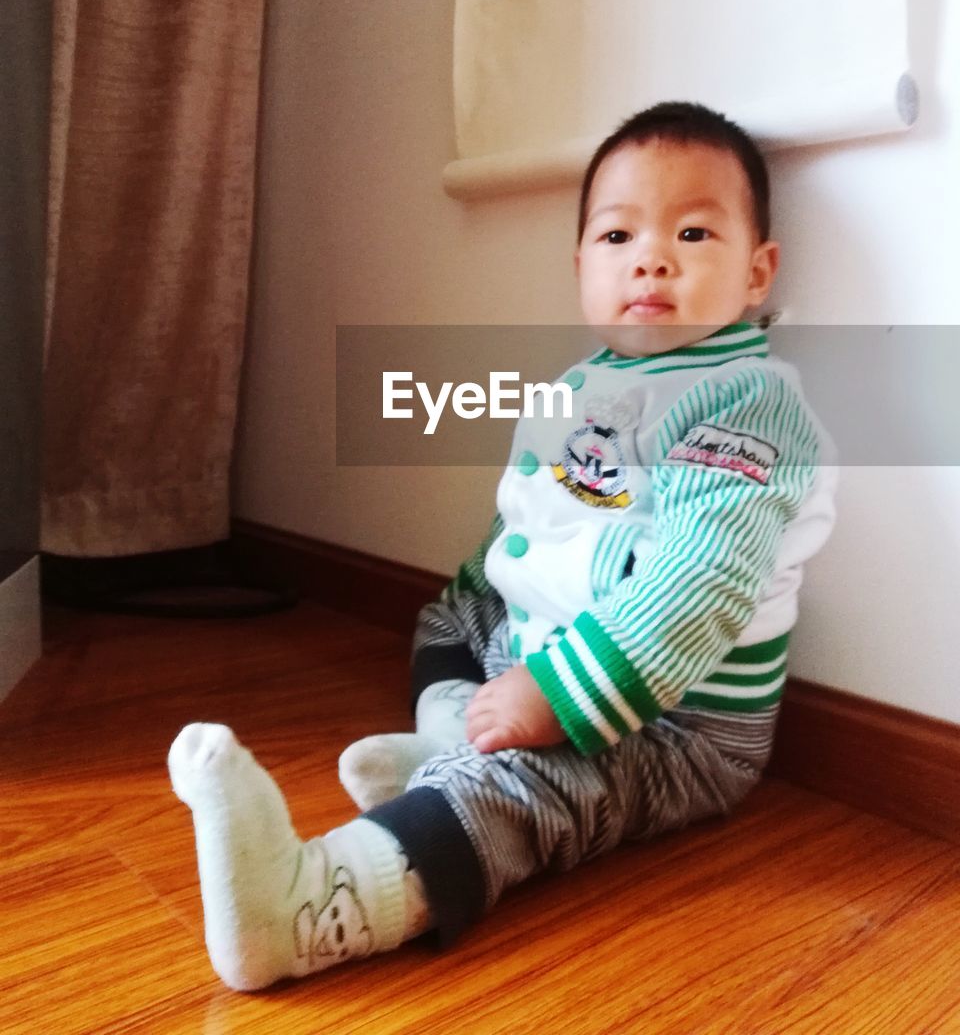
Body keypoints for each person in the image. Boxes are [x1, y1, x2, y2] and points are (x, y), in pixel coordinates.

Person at [168, 101, 836, 991]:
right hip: (549, 643)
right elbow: (528, 526)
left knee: (530, 792)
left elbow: (701, 583)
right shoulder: (581, 388)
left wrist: (553, 697)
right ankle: (452, 741)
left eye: (693, 232)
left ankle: (308, 902)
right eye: (616, 236)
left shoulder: (746, 400)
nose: (652, 256)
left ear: (758, 271)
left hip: (672, 720)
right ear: (579, 267)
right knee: (450, 613)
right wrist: (490, 607)